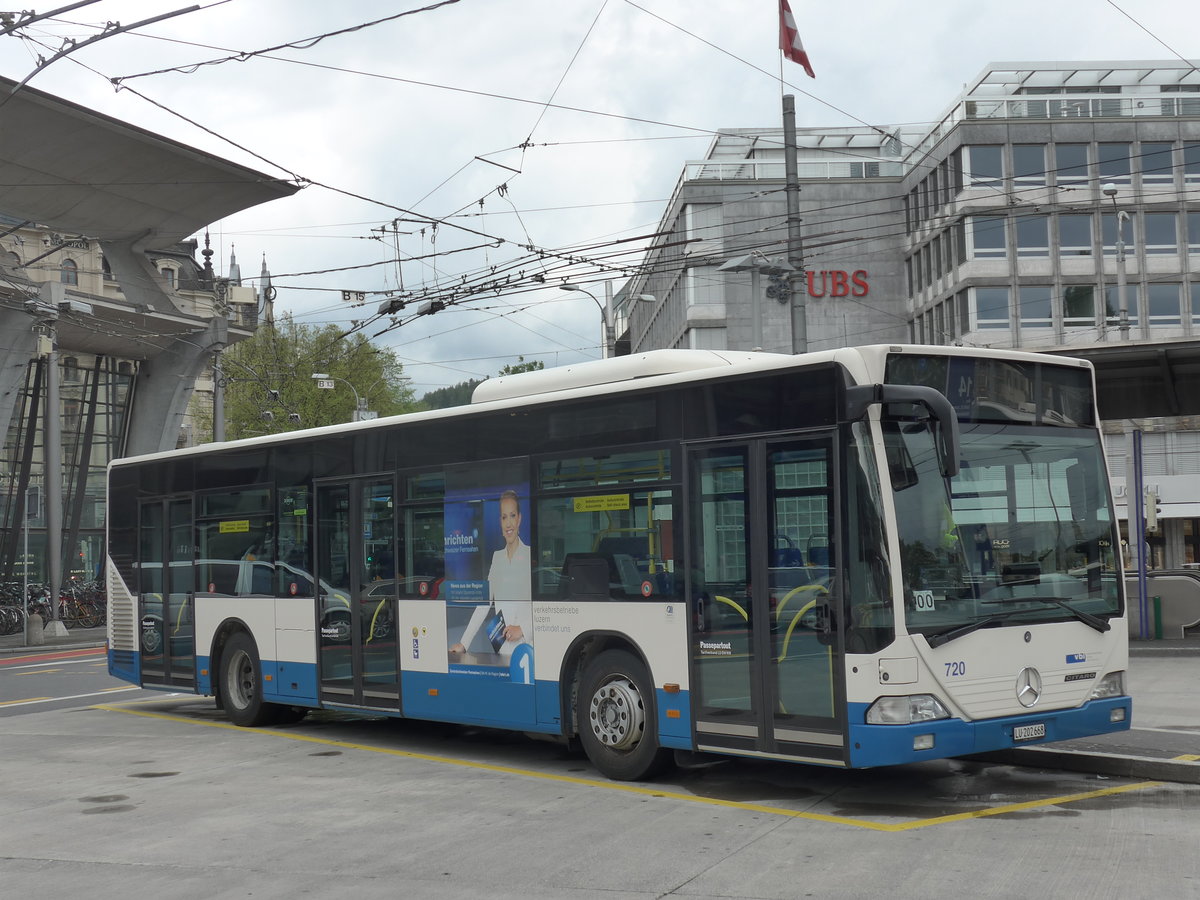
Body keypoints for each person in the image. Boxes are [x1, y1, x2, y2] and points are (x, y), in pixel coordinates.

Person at [449, 489, 531, 653]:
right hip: (502, 648)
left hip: (526, 646)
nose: (508, 523)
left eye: (512, 516)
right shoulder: (497, 557)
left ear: (520, 518)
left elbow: (545, 606)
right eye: (504, 517)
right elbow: (484, 604)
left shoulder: (529, 555)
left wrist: (524, 629)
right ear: (500, 521)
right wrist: (464, 643)